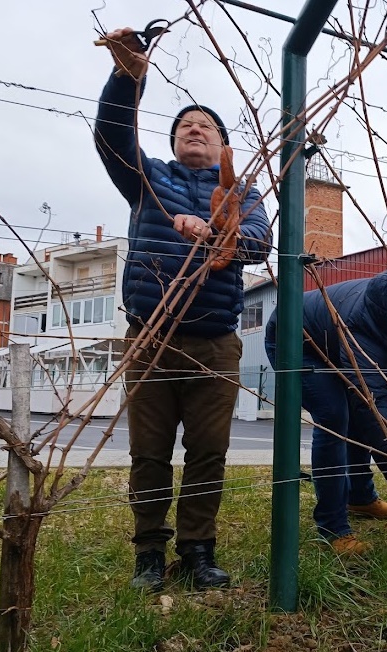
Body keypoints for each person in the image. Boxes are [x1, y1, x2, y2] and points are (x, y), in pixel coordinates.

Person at [94, 28, 272, 591]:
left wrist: (218, 230)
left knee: (208, 452)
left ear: (222, 144)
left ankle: (198, 549)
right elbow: (112, 137)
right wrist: (127, 78)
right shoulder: (148, 179)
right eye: (185, 126)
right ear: (173, 142)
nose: (195, 130)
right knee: (148, 453)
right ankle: (149, 551)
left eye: (207, 126)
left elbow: (259, 244)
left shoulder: (243, 193)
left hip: (215, 342)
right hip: (151, 336)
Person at [264, 269, 387, 554]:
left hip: (334, 341)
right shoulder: (361, 326)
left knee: (356, 412)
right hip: (297, 339)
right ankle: (333, 527)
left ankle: (360, 498)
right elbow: (373, 409)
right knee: (336, 415)